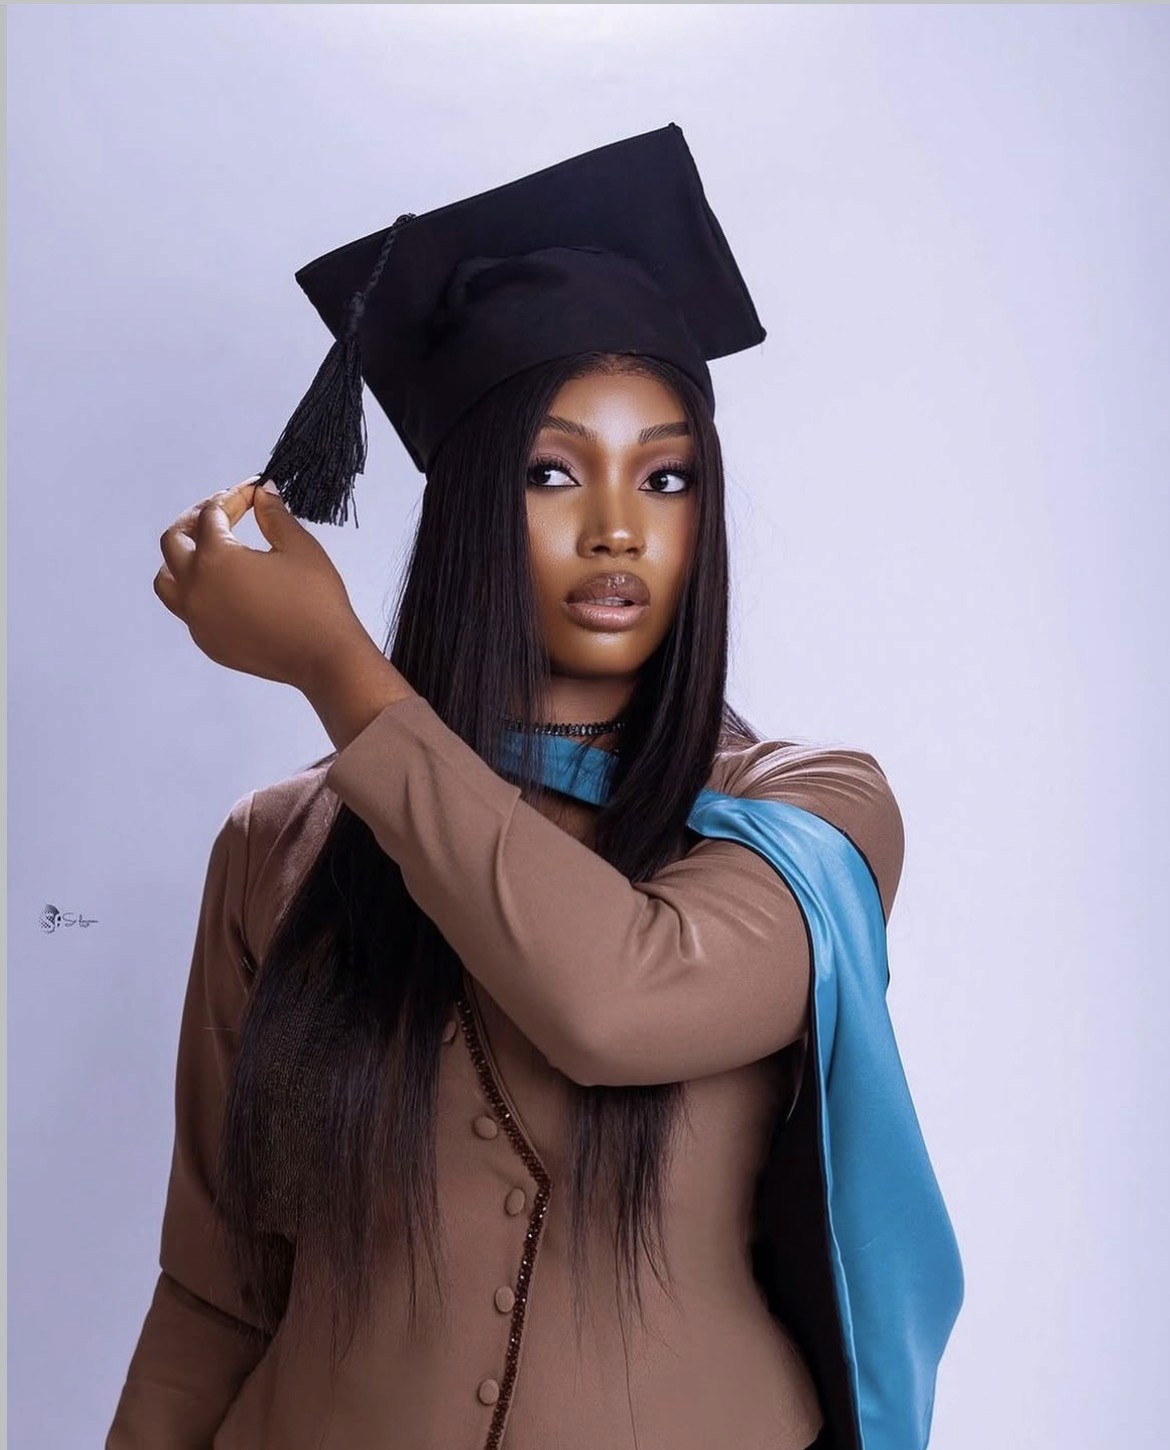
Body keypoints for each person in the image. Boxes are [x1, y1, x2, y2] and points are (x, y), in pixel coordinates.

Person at [107, 124, 963, 1450]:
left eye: (665, 475)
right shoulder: (279, 844)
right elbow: (214, 1290)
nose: (617, 524)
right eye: (553, 471)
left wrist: (337, 669)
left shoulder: (810, 815)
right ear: (465, 509)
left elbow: (620, 998)